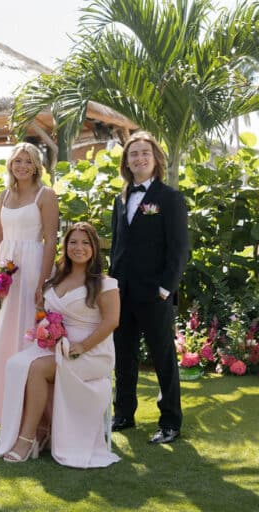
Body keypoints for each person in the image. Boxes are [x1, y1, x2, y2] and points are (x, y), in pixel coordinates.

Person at [0, 222, 121, 468]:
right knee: (16, 363)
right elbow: (44, 313)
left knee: (37, 369)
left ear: (94, 248)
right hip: (55, 347)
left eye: (85, 243)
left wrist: (83, 345)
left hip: (91, 353)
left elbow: (111, 321)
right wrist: (46, 331)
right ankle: (40, 430)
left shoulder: (105, 284)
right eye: (73, 242)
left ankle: (27, 438)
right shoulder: (56, 279)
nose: (79, 247)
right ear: (66, 246)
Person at [109, 131, 189, 444]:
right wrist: (110, 286)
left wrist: (166, 289)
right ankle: (123, 414)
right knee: (124, 356)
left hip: (155, 294)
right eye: (133, 154)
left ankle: (170, 422)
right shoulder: (120, 199)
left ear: (155, 159)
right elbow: (118, 245)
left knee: (163, 359)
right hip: (122, 292)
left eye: (145, 153)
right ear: (126, 162)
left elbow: (179, 249)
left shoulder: (169, 198)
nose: (139, 158)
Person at [0, 142, 59, 423]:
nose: (22, 166)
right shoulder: (4, 195)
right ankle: (3, 409)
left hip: (32, 267)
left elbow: (51, 241)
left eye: (28, 161)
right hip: (5, 272)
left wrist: (42, 282)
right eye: (17, 161)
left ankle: (29, 413)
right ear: (11, 164)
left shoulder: (46, 195)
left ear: (36, 166)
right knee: (4, 332)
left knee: (26, 330)